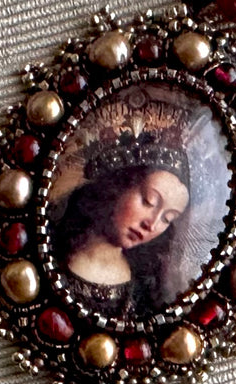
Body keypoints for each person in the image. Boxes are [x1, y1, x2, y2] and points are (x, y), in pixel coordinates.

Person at [50, 136, 191, 320]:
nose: (152, 224)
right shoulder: (53, 250)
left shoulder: (143, 290)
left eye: (167, 218)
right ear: (118, 188)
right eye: (148, 201)